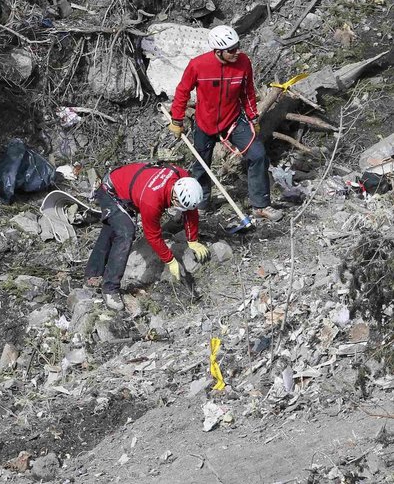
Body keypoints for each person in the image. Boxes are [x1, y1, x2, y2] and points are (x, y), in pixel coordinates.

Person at [169, 25, 283, 222]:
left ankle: (261, 205)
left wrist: (253, 117)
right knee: (201, 166)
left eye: (237, 47)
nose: (236, 52)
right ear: (218, 51)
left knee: (258, 155)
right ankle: (200, 205)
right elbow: (182, 92)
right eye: (231, 50)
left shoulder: (243, 62)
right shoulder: (198, 65)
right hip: (205, 122)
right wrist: (177, 120)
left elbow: (247, 92)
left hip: (233, 120)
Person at [85, 163, 208, 310]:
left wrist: (192, 240)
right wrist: (170, 260)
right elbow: (152, 236)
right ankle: (110, 288)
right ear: (175, 197)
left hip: (128, 182)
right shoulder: (151, 201)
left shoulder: (182, 176)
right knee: (125, 232)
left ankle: (92, 274)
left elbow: (190, 210)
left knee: (111, 229)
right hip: (111, 192)